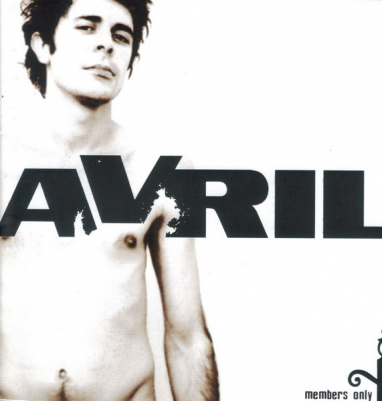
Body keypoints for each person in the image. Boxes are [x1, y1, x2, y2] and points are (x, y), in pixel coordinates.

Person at [0, 0, 219, 400]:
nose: (107, 45)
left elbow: (187, 337)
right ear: (42, 46)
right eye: (88, 27)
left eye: (121, 36)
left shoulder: (160, 169)